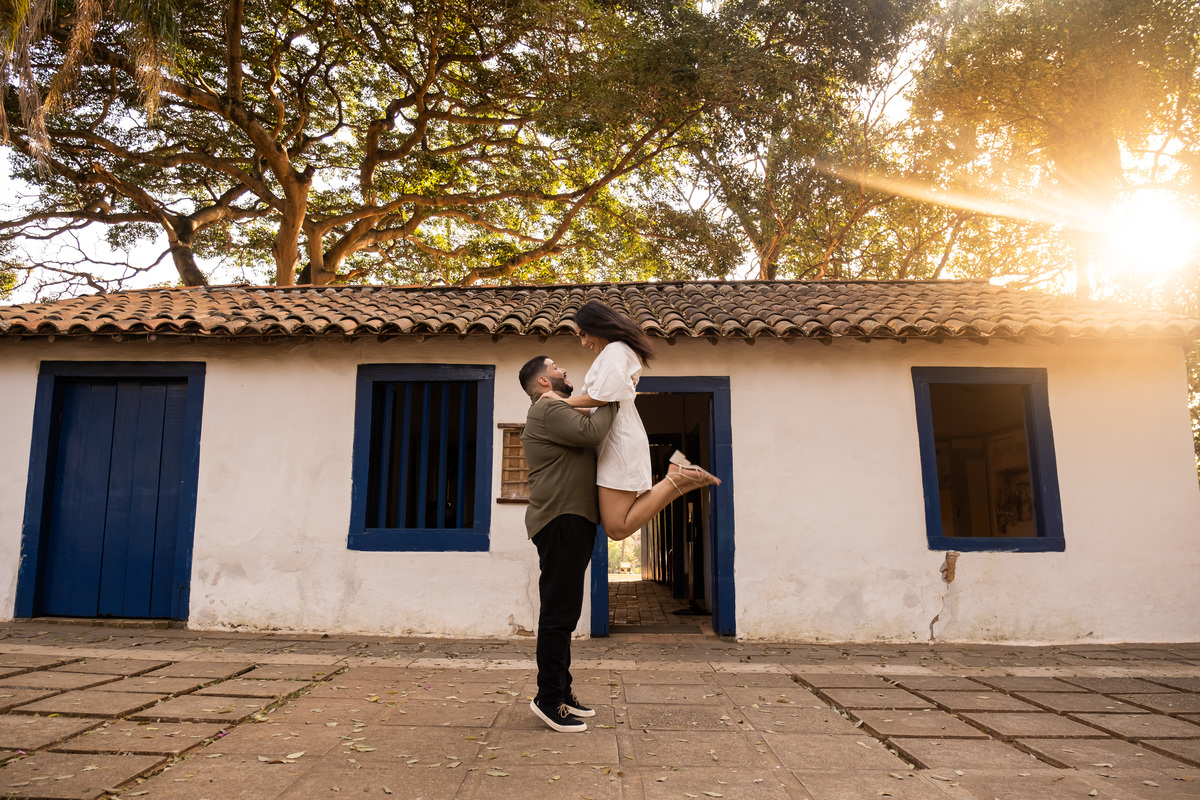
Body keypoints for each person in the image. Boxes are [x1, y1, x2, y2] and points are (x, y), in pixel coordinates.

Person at [518, 354, 619, 733]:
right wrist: (615, 397)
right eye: (555, 367)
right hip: (561, 519)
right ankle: (548, 699)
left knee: (565, 613)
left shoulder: (556, 408)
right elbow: (592, 432)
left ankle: (561, 691)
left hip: (570, 519)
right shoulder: (547, 409)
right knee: (559, 615)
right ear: (543, 381)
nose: (562, 369)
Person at [561, 300, 720, 541]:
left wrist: (558, 402)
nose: (583, 342)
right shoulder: (612, 353)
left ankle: (674, 479)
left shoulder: (616, 350)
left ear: (597, 325)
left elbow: (601, 398)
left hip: (619, 443)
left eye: (583, 334)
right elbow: (595, 405)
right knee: (615, 526)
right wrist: (559, 410)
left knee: (616, 528)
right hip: (615, 443)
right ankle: (676, 478)